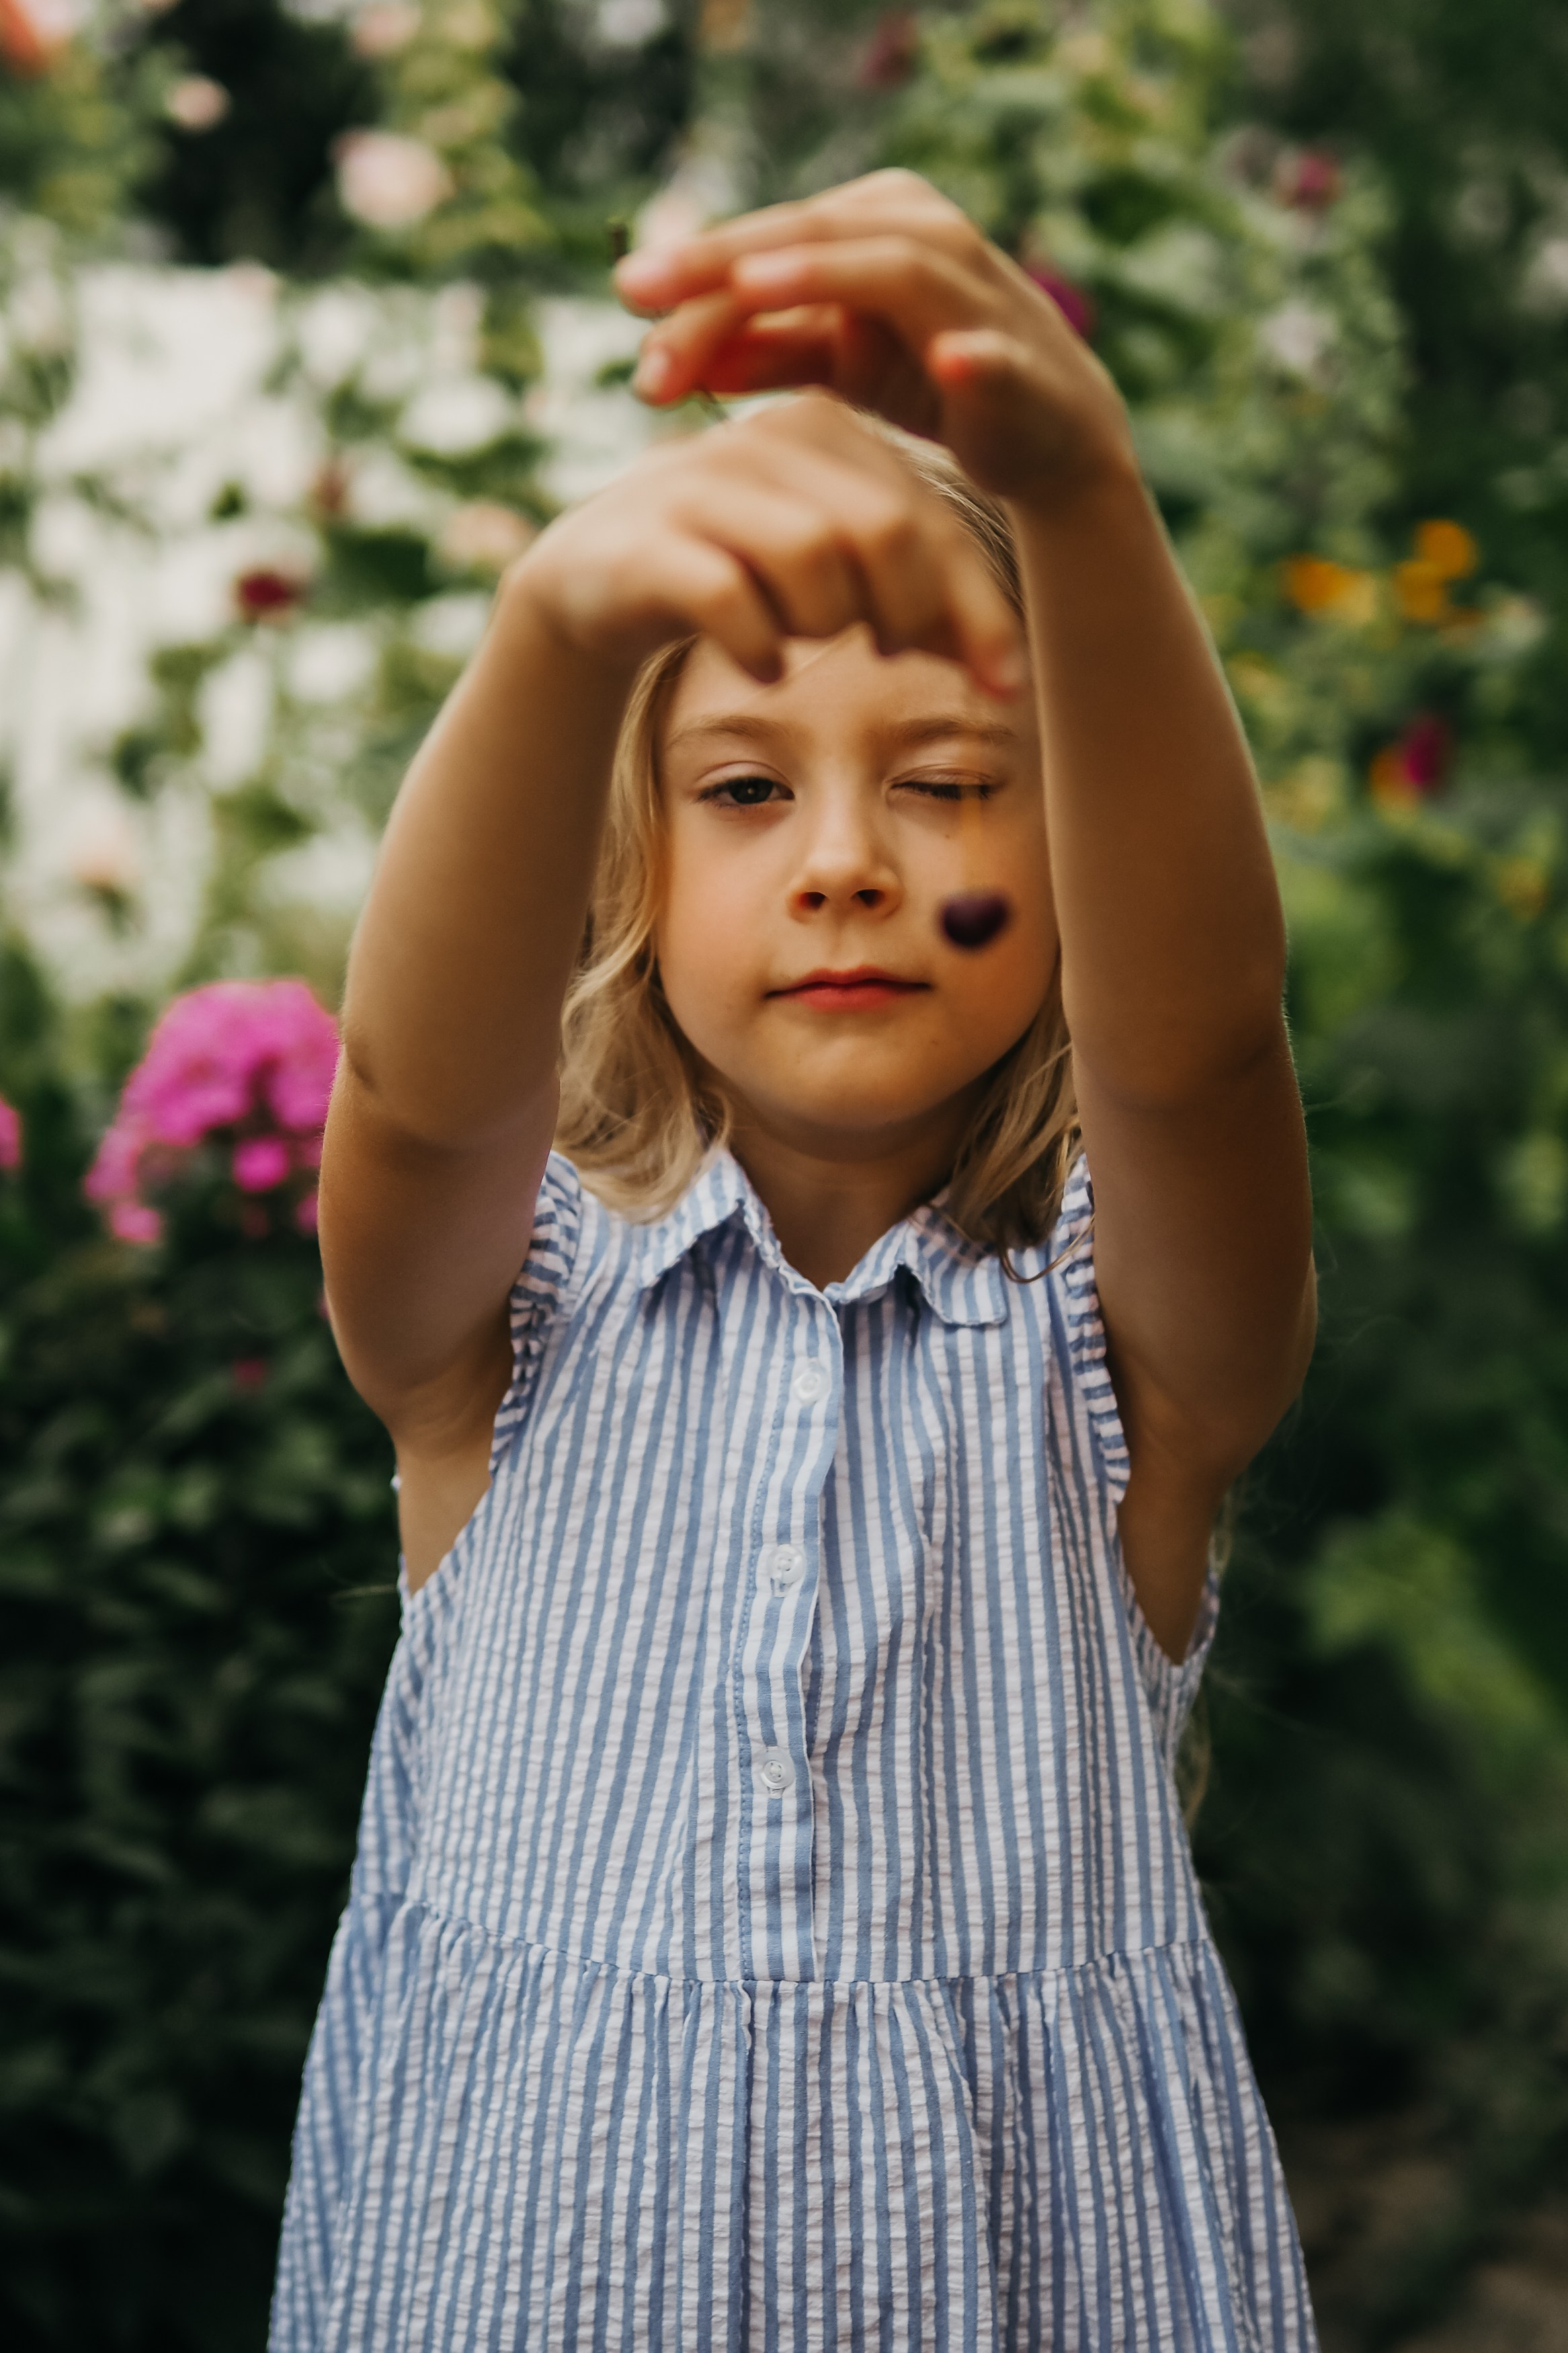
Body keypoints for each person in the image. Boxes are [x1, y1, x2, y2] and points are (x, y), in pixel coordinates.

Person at [270, 171, 1319, 2351]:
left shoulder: (1117, 1345)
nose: (848, 861)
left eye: (948, 782)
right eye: (745, 788)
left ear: (1071, 863)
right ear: (629, 864)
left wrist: (1082, 490)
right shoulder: (505, 1318)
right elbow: (414, 1089)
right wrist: (559, 631)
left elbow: (1203, 1040)